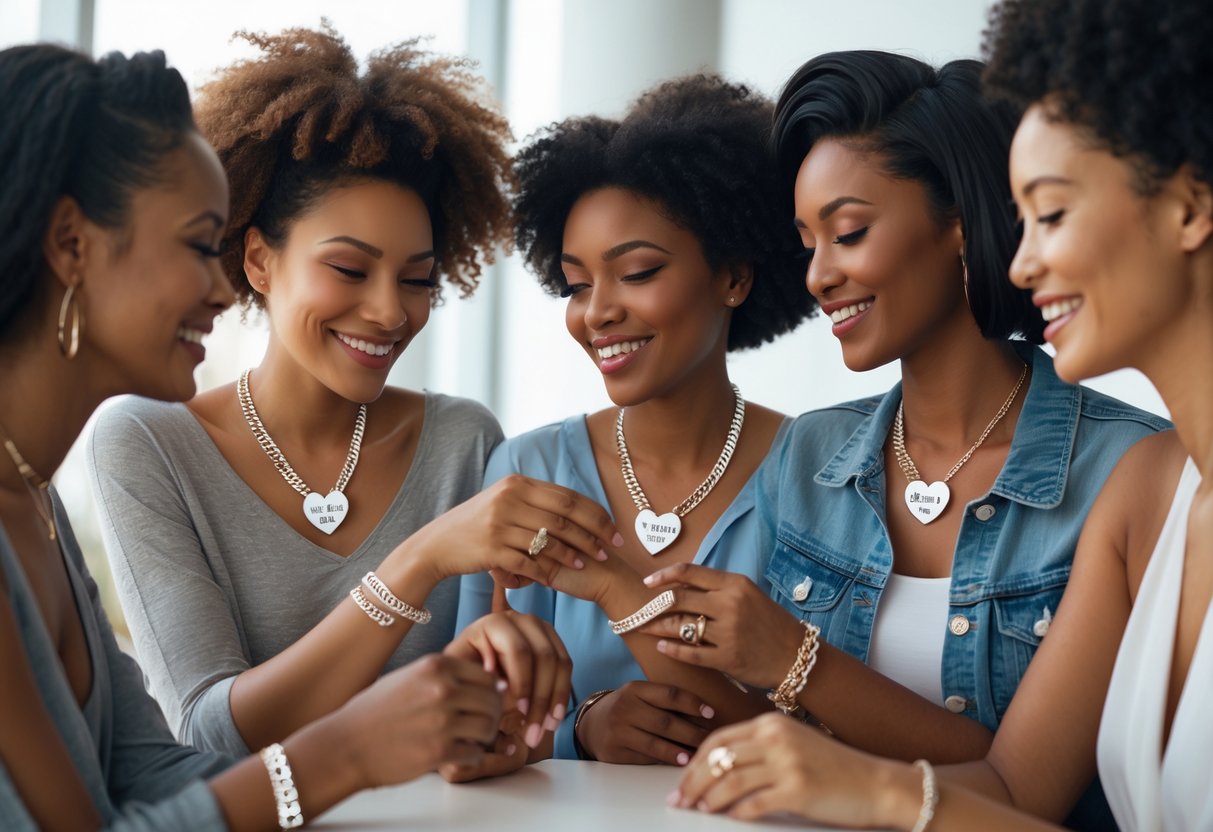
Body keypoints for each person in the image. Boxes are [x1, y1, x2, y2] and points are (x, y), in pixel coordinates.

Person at [670, 2, 1209, 829]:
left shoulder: (1119, 473)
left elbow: (1032, 797)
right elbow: (1012, 787)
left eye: (1051, 214)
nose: (1024, 258)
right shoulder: (1150, 489)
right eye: (806, 241)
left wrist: (810, 688)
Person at [0, 42, 521, 830]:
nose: (219, 288)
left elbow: (149, 773)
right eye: (196, 244)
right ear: (72, 244)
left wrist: (389, 761)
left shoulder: (33, 504)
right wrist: (345, 752)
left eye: (417, 278)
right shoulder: (114, 459)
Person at [86, 26, 609, 771]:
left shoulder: (461, 440)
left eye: (418, 278)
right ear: (260, 260)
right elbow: (206, 733)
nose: (390, 312)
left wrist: (509, 706)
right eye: (349, 269)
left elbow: (478, 708)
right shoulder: (148, 443)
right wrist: (415, 561)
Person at [457, 75, 814, 764]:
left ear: (734, 277)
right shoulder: (526, 471)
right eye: (576, 285)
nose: (597, 313)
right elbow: (474, 717)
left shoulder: (820, 471)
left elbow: (840, 729)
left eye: (639, 272)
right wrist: (582, 729)